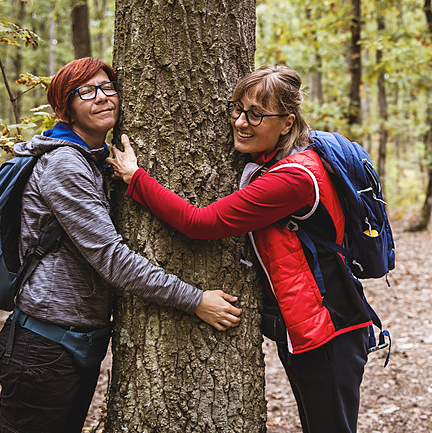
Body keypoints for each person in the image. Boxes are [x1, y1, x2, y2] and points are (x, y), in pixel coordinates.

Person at [107, 65, 372, 433]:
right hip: (312, 325)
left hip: (329, 329)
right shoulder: (284, 159)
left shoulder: (292, 177)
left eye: (257, 115)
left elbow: (200, 224)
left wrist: (135, 178)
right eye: (237, 109)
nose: (241, 122)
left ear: (287, 122)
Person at [0, 57, 241, 433]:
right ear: (65, 107)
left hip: (73, 344)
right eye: (86, 91)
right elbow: (111, 258)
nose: (103, 98)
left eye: (108, 88)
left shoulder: (91, 161)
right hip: (45, 347)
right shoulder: (65, 165)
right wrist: (195, 299)